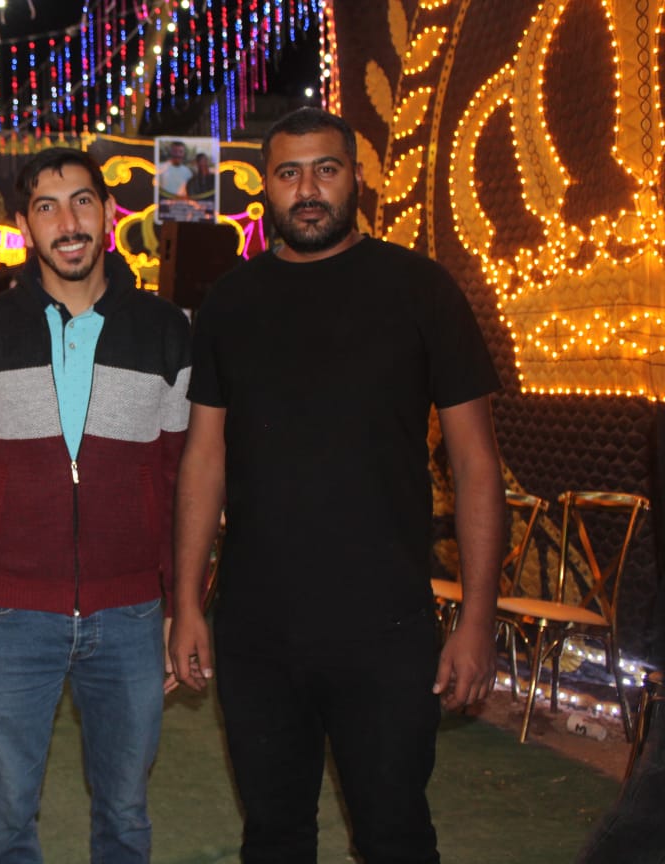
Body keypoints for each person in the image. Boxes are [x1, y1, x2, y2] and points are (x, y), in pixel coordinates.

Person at [169, 107, 505, 863]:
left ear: (355, 178)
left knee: (395, 837)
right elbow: (203, 459)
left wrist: (479, 615)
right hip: (256, 628)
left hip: (385, 625)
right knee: (273, 837)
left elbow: (476, 464)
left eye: (325, 169)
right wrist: (187, 603)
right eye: (289, 174)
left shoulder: (421, 290)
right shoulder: (230, 302)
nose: (308, 189)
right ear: (266, 188)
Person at [0, 147, 191, 863]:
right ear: (24, 224)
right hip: (11, 614)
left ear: (108, 212)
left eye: (83, 201)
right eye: (48, 207)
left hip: (131, 615)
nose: (69, 222)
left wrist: (182, 603)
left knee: (125, 815)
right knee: (7, 820)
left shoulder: (166, 330)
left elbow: (179, 480)